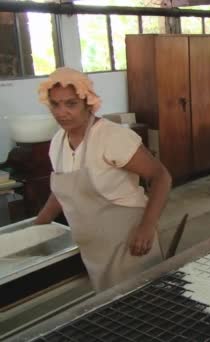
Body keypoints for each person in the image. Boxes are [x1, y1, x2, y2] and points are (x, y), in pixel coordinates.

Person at [34, 67, 172, 292]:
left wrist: (147, 227)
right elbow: (62, 191)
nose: (62, 113)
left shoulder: (111, 137)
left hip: (129, 242)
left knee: (143, 307)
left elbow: (161, 177)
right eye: (55, 105)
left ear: (88, 103)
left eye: (71, 104)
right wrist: (36, 228)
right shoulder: (57, 143)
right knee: (110, 312)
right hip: (93, 247)